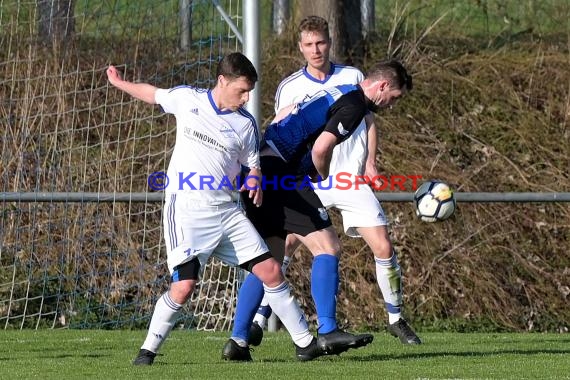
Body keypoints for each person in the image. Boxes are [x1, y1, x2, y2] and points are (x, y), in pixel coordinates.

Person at [107, 52, 328, 365]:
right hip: (188, 209)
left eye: (249, 91)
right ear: (222, 81)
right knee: (184, 287)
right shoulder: (187, 100)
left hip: (227, 211)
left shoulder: (245, 124)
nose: (247, 97)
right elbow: (151, 94)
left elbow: (252, 166)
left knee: (271, 270)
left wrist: (254, 180)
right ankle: (147, 353)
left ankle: (306, 345)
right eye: (241, 90)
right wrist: (119, 83)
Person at [222, 53, 413, 360]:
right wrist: (319, 173)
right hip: (280, 170)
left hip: (259, 165)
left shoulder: (338, 93)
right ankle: (327, 330)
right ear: (382, 85)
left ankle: (238, 340)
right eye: (393, 97)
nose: (391, 104)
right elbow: (323, 147)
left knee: (270, 258)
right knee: (328, 246)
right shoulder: (354, 105)